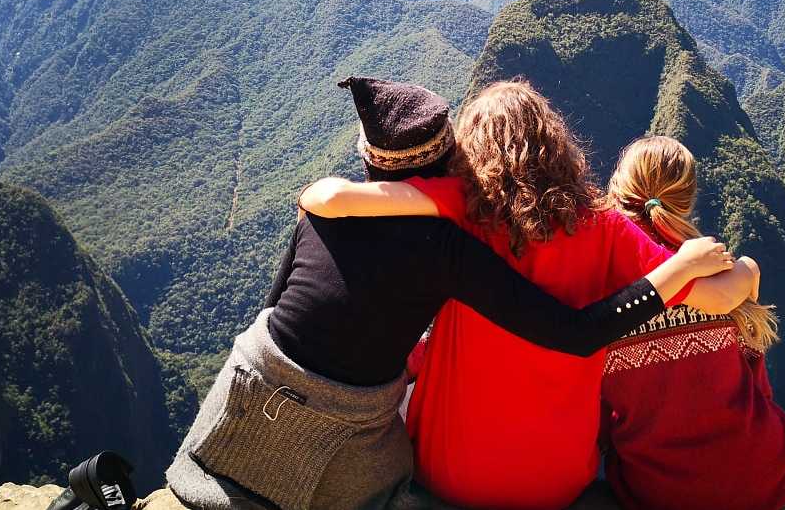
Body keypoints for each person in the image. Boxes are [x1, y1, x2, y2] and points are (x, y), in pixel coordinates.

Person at [164, 77, 754, 510]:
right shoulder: (607, 229)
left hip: (446, 468)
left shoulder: (461, 214)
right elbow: (718, 298)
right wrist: (721, 269)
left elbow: (335, 202)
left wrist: (321, 194)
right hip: (555, 482)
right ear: (558, 146)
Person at [601, 136, 785, 510]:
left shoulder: (598, 291)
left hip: (664, 492)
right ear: (687, 201)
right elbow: (754, 370)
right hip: (767, 477)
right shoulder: (724, 276)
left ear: (619, 189)